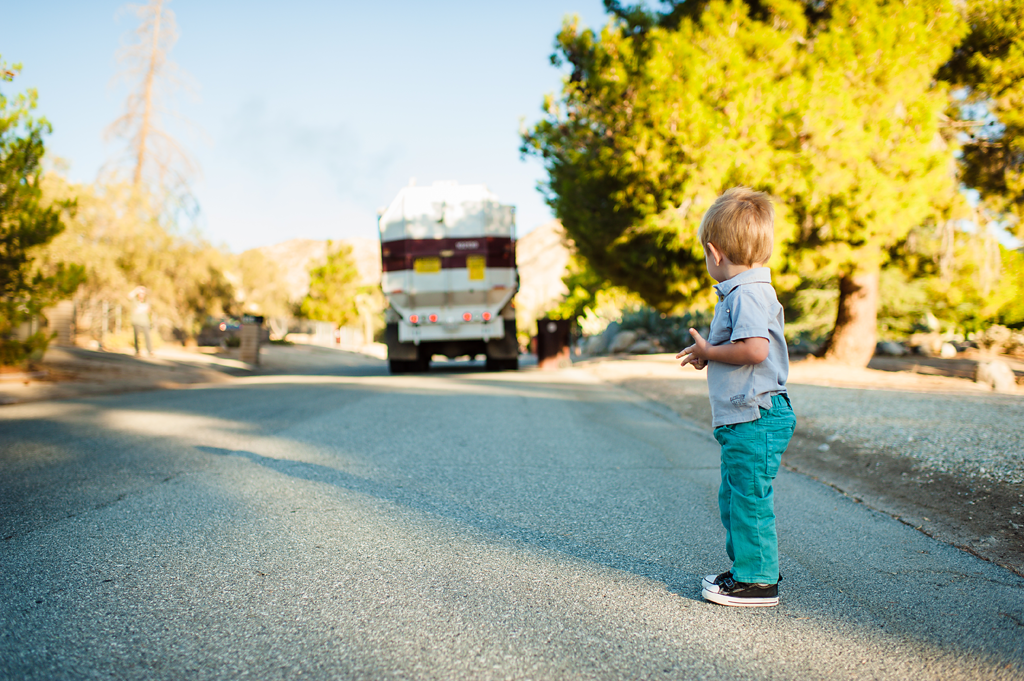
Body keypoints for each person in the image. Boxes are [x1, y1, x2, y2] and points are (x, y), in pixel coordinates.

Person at [675, 187, 795, 607]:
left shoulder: (746, 294)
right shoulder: (747, 291)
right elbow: (744, 350)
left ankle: (758, 582)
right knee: (735, 496)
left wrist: (710, 351)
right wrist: (710, 356)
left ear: (715, 251)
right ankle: (750, 565)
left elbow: (755, 349)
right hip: (746, 417)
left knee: (747, 498)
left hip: (754, 416)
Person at [129, 286, 153, 357]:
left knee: (147, 336)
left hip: (145, 321)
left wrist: (139, 309)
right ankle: (137, 350)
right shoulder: (135, 300)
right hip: (136, 320)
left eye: (143, 293)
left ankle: (150, 350)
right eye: (140, 293)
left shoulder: (147, 300)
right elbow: (129, 296)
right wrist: (136, 289)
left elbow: (148, 309)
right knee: (136, 336)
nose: (141, 294)